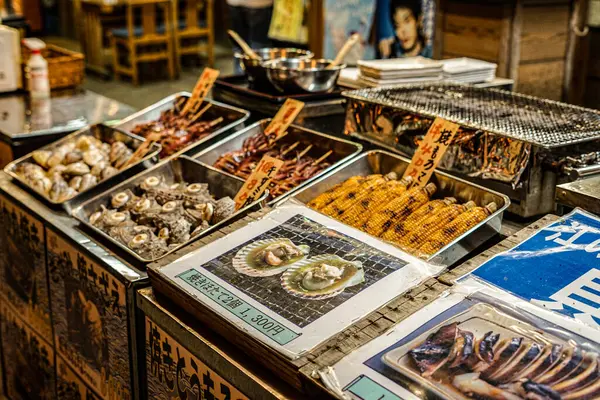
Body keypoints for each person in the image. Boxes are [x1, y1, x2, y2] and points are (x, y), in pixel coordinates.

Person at [227, 0, 274, 72]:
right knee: (258, 48)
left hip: (235, 3)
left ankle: (241, 76)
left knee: (241, 48)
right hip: (260, 4)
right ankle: (256, 77)